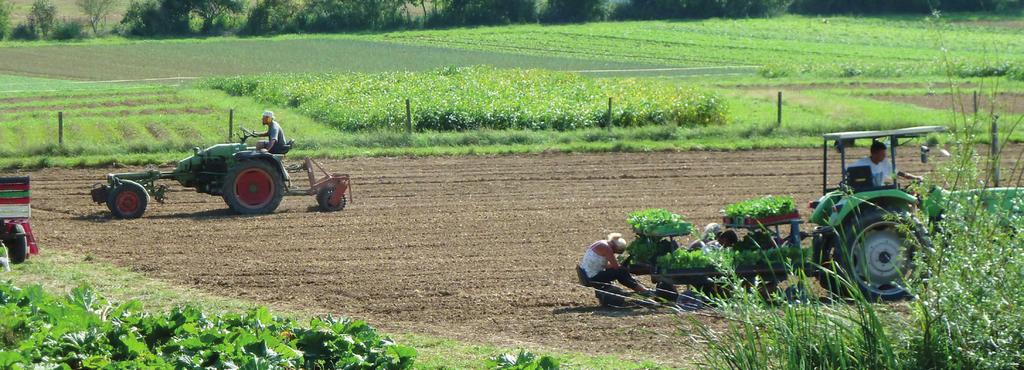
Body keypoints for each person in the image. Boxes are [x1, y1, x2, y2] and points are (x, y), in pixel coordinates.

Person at [577, 233, 654, 307]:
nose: (614, 253)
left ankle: (639, 288)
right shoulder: (607, 248)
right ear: (614, 247)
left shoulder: (601, 243)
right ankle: (642, 290)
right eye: (615, 252)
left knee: (620, 271)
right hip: (593, 276)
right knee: (620, 271)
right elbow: (616, 267)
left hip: (587, 274)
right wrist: (626, 268)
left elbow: (604, 265)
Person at [848, 140, 922, 187]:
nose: (884, 156)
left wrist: (916, 178)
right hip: (867, 192)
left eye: (885, 154)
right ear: (874, 154)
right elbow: (847, 171)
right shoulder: (862, 163)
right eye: (882, 154)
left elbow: (897, 174)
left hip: (880, 190)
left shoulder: (885, 163)